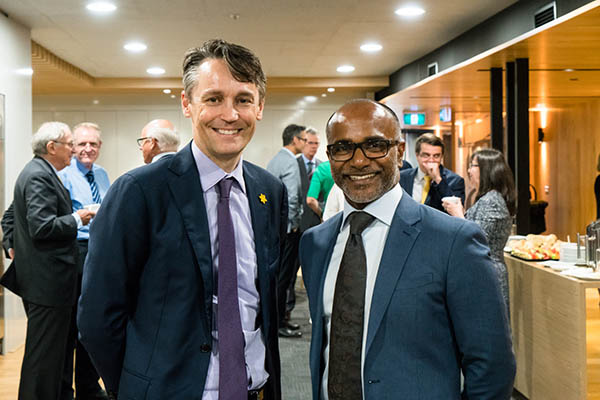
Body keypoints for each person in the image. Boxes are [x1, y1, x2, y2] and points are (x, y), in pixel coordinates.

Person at [78, 39, 286, 400]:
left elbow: (265, 303)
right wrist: (134, 387)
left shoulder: (269, 192)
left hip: (254, 389)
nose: (230, 114)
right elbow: (98, 316)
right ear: (187, 104)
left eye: (243, 99)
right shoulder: (139, 192)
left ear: (260, 107)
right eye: (213, 98)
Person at [299, 99, 515, 400]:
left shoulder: (454, 241)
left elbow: (492, 366)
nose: (358, 161)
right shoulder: (315, 244)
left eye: (374, 145)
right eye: (343, 148)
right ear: (329, 156)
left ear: (399, 151)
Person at [0, 122, 95, 400]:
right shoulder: (39, 176)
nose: (75, 152)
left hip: (49, 281)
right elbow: (42, 227)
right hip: (47, 283)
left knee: (58, 353)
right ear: (52, 147)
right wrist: (80, 218)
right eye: (70, 145)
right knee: (43, 358)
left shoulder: (41, 173)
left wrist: (13, 247)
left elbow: (9, 217)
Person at [57, 122, 110, 400]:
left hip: (100, 252)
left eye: (93, 144)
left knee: (92, 322)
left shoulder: (103, 175)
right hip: (74, 253)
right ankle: (65, 389)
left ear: (99, 148)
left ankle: (89, 387)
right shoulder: (63, 177)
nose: (87, 149)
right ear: (73, 147)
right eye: (82, 144)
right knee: (70, 326)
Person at [443, 149, 516, 315]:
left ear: (487, 169)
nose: (469, 170)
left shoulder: (491, 201)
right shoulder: (487, 198)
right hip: (484, 271)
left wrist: (458, 214)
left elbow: (476, 241)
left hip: (487, 273)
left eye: (473, 165)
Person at [266, 123, 306, 338]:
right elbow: (291, 198)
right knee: (284, 277)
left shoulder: (276, 160)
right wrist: (292, 226)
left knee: (279, 277)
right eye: (304, 139)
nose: (306, 143)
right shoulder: (290, 162)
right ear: (295, 140)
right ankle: (280, 321)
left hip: (275, 227)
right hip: (287, 231)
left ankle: (277, 319)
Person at [399, 132, 465, 212]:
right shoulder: (402, 177)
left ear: (441, 157)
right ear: (417, 155)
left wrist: (438, 180)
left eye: (436, 156)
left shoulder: (455, 181)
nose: (431, 160)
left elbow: (455, 213)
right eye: (426, 155)